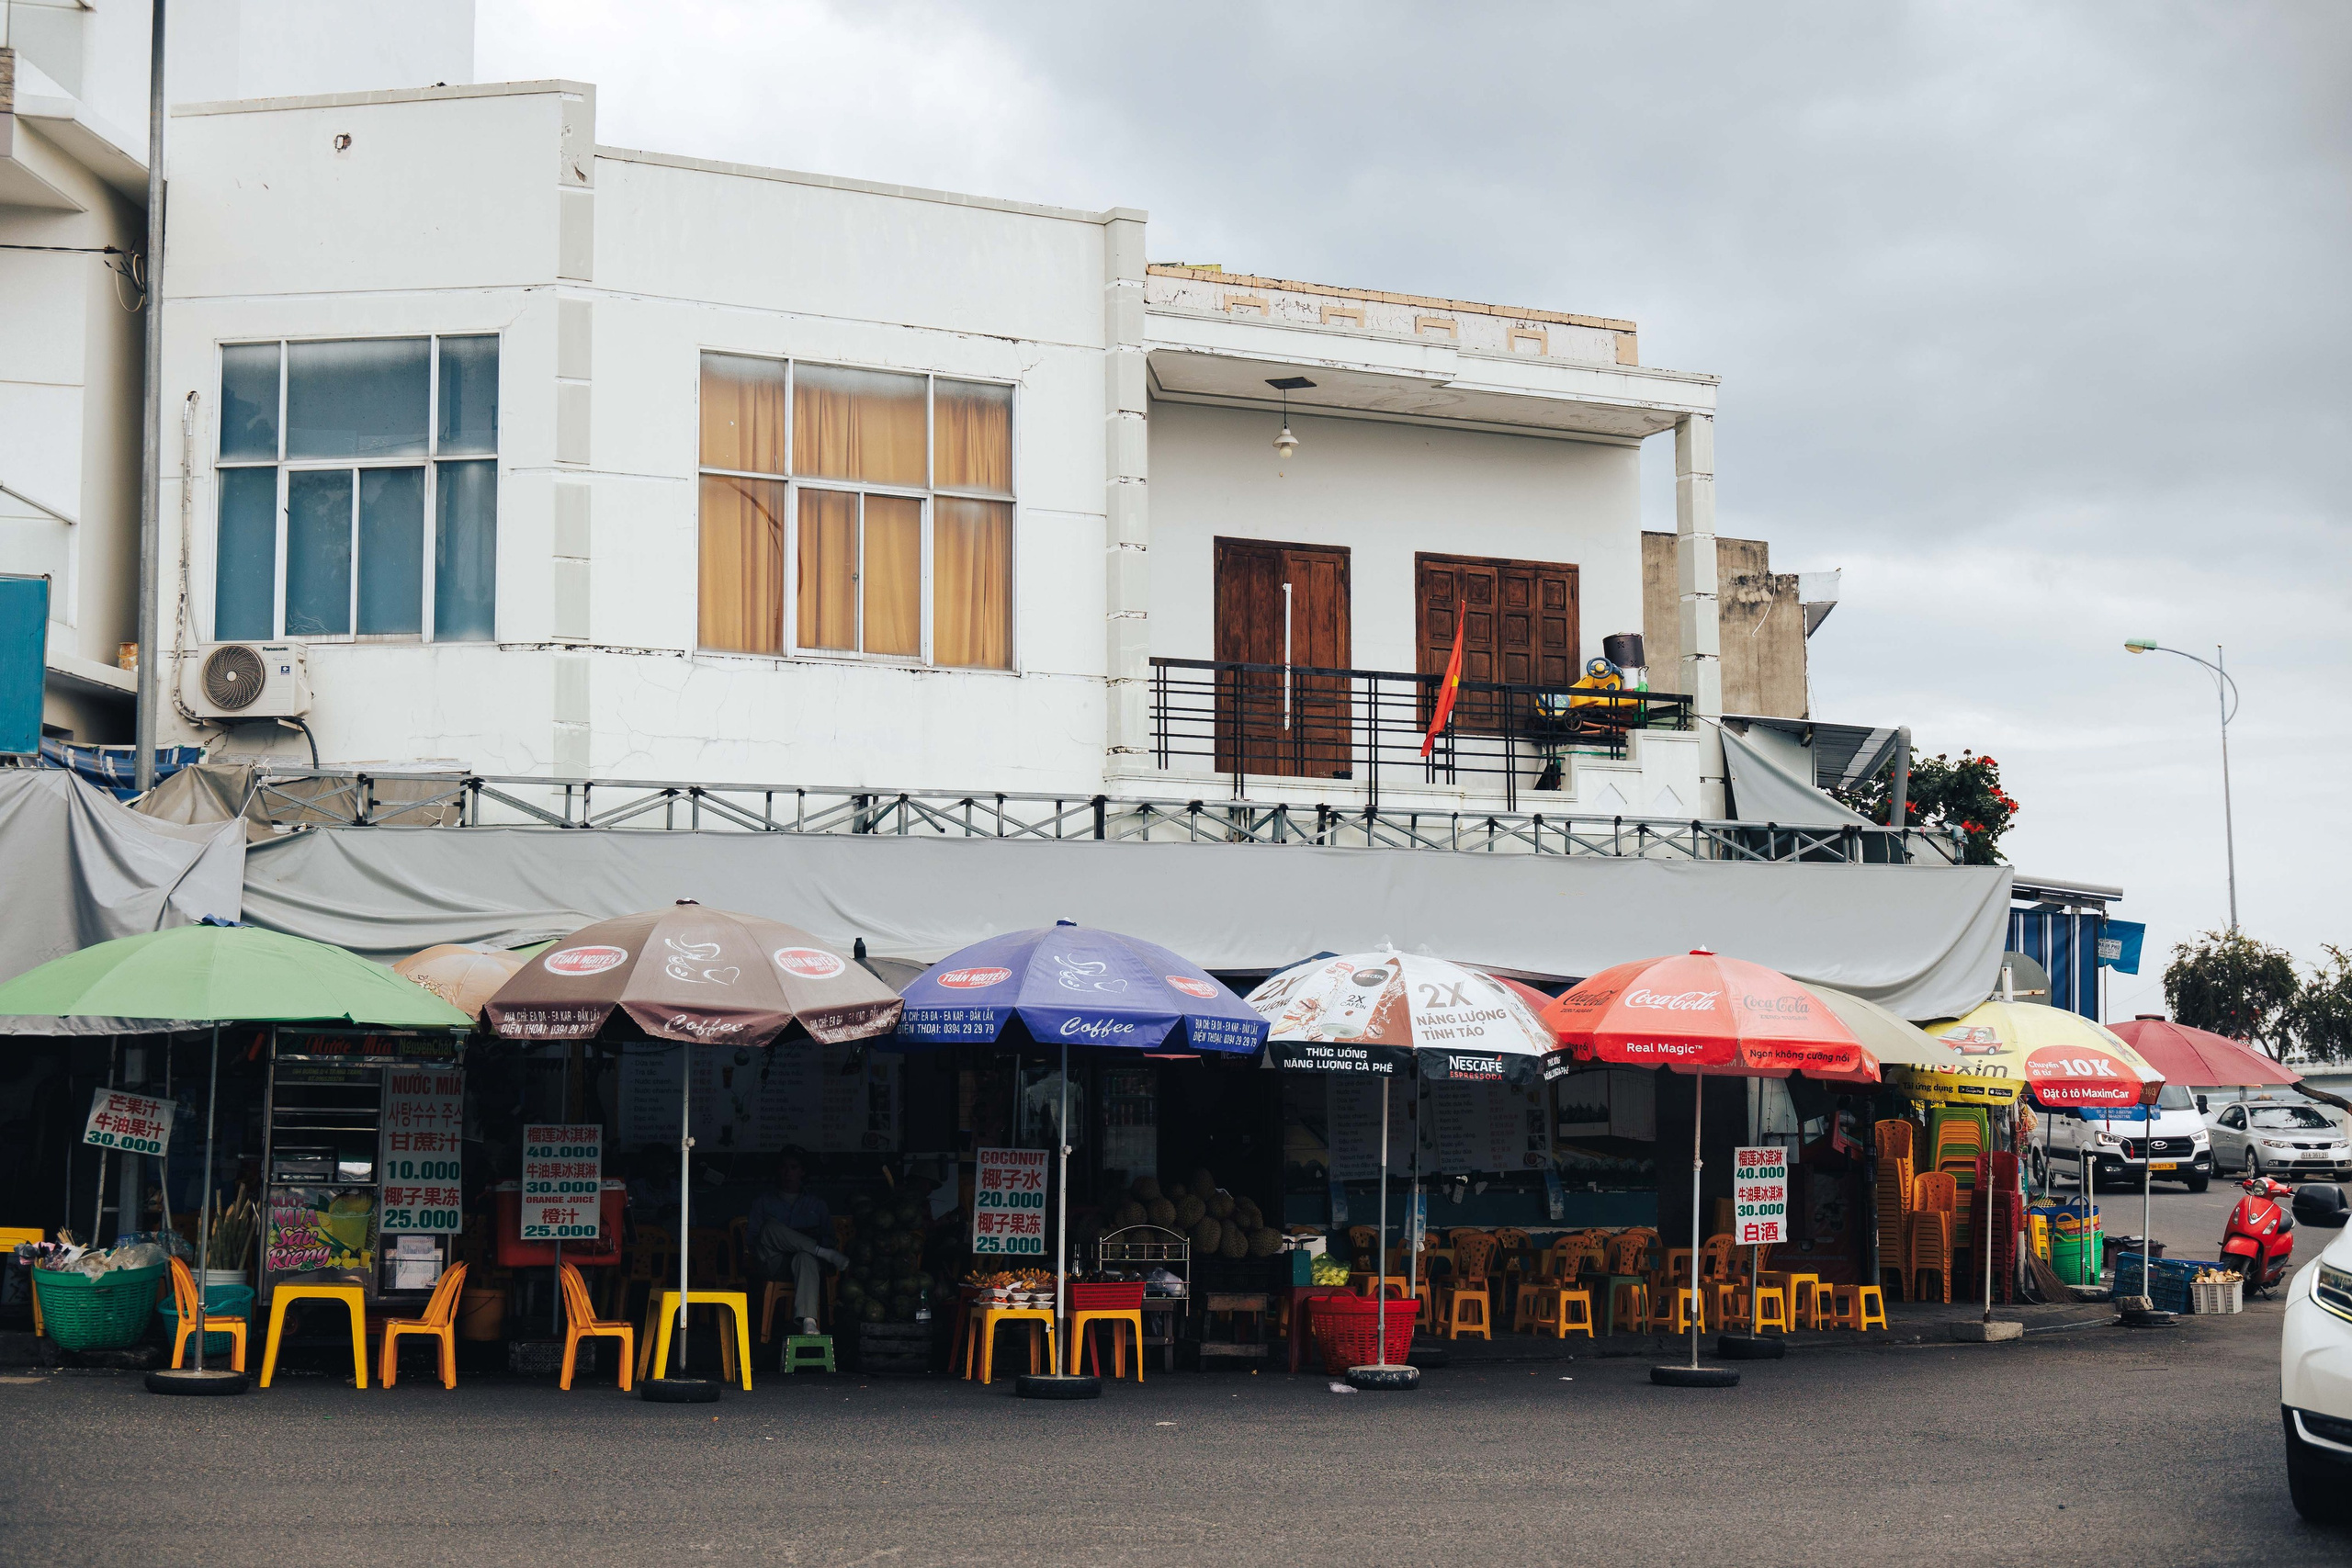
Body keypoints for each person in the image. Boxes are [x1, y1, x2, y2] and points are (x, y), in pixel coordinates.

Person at [745, 1152, 847, 1337]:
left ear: (802, 1171)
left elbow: (829, 1237)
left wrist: (802, 1242)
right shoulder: (763, 1202)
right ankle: (822, 1252)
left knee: (804, 1256)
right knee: (769, 1227)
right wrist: (784, 1239)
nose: (788, 1172)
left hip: (805, 1265)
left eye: (793, 1167)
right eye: (784, 1167)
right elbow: (753, 1238)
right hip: (774, 1262)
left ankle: (808, 1321)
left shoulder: (816, 1204)